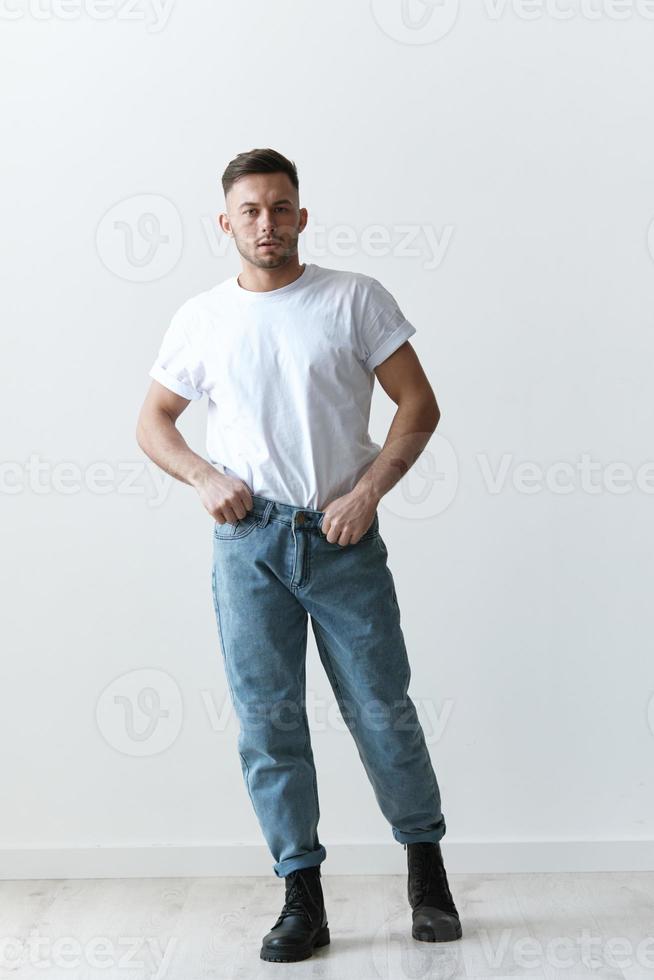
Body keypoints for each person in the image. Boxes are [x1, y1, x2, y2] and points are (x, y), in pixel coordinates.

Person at [136, 147, 461, 963]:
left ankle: (426, 868)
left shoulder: (352, 300)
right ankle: (301, 895)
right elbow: (153, 423)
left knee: (383, 709)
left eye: (281, 208)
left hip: (339, 535)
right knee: (269, 723)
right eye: (250, 210)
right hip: (248, 545)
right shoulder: (201, 318)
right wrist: (202, 475)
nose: (267, 223)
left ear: (302, 216)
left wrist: (368, 493)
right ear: (226, 223)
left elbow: (418, 404)